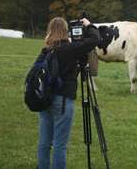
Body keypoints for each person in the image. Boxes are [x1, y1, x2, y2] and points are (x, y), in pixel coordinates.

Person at [37, 17, 100, 169]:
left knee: (45, 142)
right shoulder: (69, 49)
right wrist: (89, 25)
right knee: (60, 144)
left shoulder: (46, 50)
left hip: (44, 99)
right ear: (66, 31)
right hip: (63, 100)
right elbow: (95, 39)